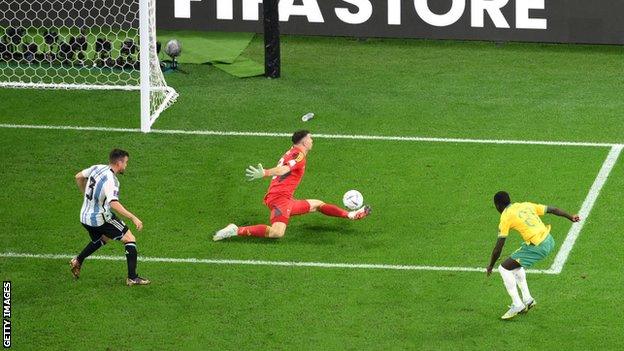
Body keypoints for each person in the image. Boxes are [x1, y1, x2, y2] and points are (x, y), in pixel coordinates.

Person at [214, 130, 371, 241]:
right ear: (303, 141)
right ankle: (236, 230)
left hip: (284, 198)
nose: (312, 141)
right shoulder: (299, 155)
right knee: (277, 233)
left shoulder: (292, 152)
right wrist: (265, 172)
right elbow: (285, 169)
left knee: (317, 204)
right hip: (279, 199)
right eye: (310, 138)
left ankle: (350, 215)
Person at [486, 191, 579, 320]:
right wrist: (570, 217)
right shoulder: (525, 205)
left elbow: (499, 247)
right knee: (516, 263)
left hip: (538, 246)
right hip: (549, 240)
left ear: (498, 205)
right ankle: (528, 300)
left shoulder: (505, 217)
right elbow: (552, 209)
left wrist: (491, 265)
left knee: (504, 268)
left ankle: (517, 305)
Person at [69, 149, 150, 286]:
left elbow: (78, 176)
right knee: (130, 238)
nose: (126, 166)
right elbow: (113, 203)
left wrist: (86, 195)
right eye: (125, 163)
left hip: (84, 217)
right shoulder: (112, 180)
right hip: (100, 218)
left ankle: (78, 260)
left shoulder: (97, 167)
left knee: (103, 238)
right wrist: (133, 217)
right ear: (119, 163)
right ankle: (132, 277)